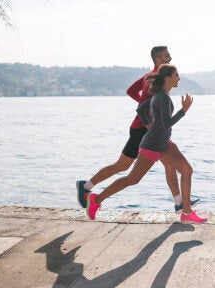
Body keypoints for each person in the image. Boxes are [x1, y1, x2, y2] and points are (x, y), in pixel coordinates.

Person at [76, 46, 199, 214]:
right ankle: (87, 187)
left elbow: (132, 92)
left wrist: (149, 108)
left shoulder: (154, 77)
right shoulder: (153, 78)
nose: (170, 58)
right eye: (166, 56)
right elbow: (141, 104)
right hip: (142, 129)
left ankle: (180, 203)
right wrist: (149, 119)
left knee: (169, 165)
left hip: (151, 130)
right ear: (158, 60)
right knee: (124, 167)